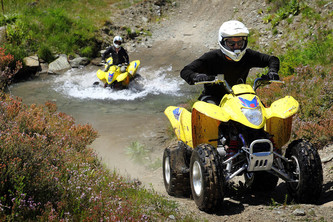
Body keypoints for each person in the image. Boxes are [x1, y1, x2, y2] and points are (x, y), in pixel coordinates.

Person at [180, 20, 280, 105]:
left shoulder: (248, 55)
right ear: (223, 42)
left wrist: (272, 71)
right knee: (209, 114)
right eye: (231, 43)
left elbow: (272, 59)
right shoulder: (212, 57)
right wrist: (197, 76)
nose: (236, 46)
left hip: (239, 97)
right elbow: (185, 71)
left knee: (261, 111)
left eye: (240, 43)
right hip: (212, 98)